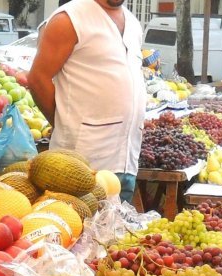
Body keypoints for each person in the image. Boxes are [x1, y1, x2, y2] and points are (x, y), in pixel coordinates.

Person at [29, 0, 145, 202]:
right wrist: (63, 122)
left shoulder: (133, 24)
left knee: (117, 230)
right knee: (80, 227)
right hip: (80, 161)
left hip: (126, 158)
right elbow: (38, 79)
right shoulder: (69, 19)